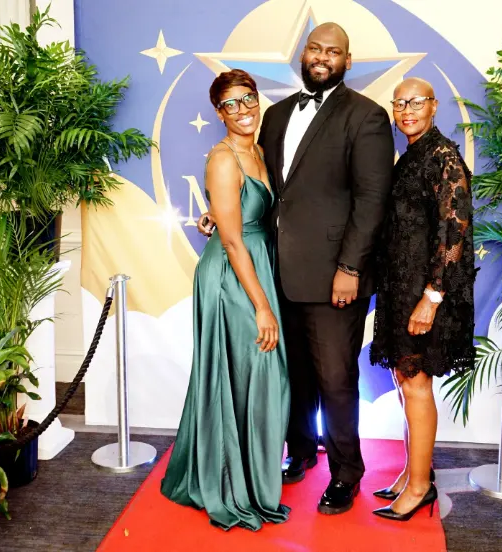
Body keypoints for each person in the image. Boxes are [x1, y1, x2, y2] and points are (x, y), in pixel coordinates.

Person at [198, 23, 394, 515]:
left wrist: (350, 267)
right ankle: (302, 449)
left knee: (335, 378)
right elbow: (265, 187)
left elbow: (372, 200)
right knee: (295, 375)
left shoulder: (366, 116)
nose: (322, 57)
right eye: (314, 48)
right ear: (303, 55)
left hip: (334, 277)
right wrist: (219, 214)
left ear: (347, 61)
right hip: (276, 272)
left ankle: (346, 472)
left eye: (333, 51)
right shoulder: (278, 114)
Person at [161, 69, 290, 531]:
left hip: (255, 263)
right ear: (219, 113)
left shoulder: (259, 149)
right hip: (233, 276)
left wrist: (214, 214)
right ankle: (231, 484)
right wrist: (262, 306)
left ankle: (250, 476)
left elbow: (240, 213)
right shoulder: (222, 158)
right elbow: (234, 241)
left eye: (248, 98)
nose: (243, 110)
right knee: (250, 370)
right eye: (231, 104)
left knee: (254, 376)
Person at [369, 77, 475, 521]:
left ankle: (419, 487)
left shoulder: (443, 156)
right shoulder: (412, 155)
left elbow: (454, 230)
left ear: (433, 106)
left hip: (424, 293)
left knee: (415, 385)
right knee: (404, 382)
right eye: (399, 104)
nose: (406, 110)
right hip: (401, 289)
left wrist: (431, 297)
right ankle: (413, 472)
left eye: (415, 102)